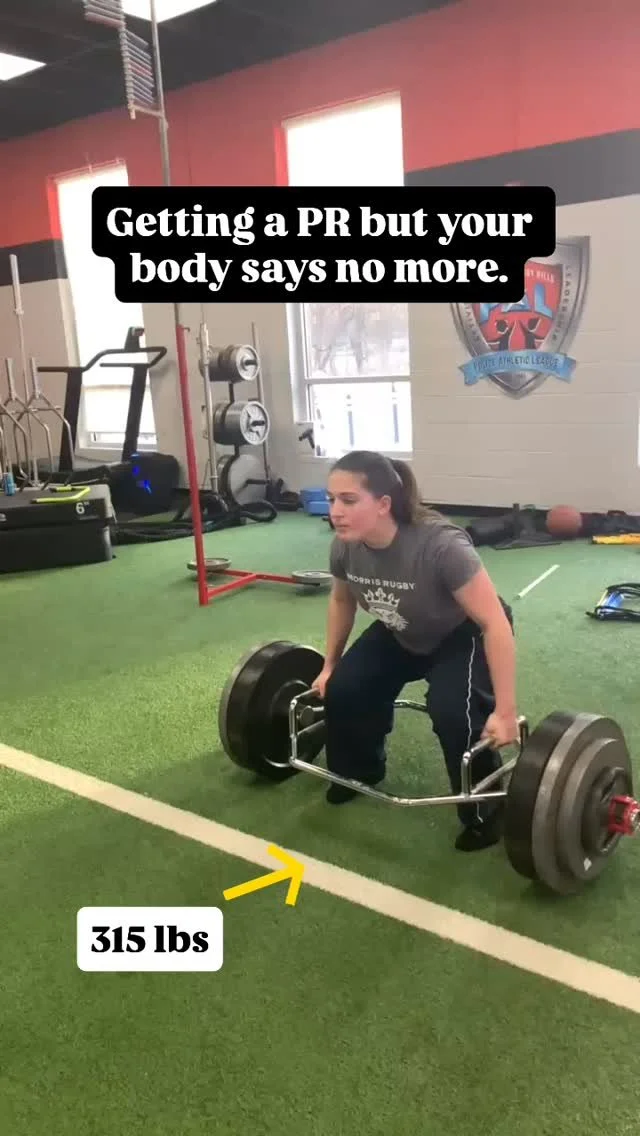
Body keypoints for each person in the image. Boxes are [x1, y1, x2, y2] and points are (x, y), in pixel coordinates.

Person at [311, 449, 519, 852]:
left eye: (349, 500)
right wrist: (329, 665)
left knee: (454, 712)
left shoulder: (441, 546)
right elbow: (341, 600)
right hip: (401, 627)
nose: (335, 511)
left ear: (384, 504)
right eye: (332, 499)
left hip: (462, 633)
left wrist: (506, 711)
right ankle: (359, 772)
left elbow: (494, 622)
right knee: (345, 688)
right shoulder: (345, 547)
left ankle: (485, 810)